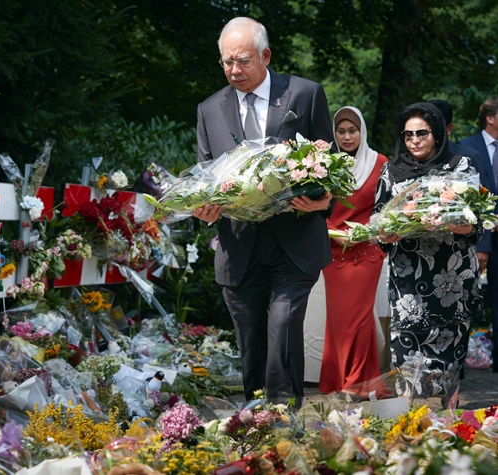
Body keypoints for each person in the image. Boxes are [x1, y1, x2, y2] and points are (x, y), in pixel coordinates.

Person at [192, 17, 334, 406]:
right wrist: (202, 211)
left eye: (242, 61)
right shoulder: (209, 109)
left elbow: (332, 167)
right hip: (239, 247)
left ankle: (285, 419)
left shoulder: (304, 95)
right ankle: (256, 421)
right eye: (226, 63)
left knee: (283, 330)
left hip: (295, 241)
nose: (233, 71)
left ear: (265, 56)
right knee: (251, 344)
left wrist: (325, 201)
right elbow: (206, 177)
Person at [375, 102, 484, 407]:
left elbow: (477, 222)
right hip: (407, 276)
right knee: (406, 344)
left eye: (421, 133)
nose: (414, 141)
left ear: (437, 133)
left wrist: (463, 225)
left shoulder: (460, 165)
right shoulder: (391, 170)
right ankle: (407, 414)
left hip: (452, 274)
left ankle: (450, 413)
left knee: (451, 344)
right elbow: (378, 222)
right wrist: (385, 234)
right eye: (408, 135)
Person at [318, 106, 388, 394]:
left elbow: (387, 208)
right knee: (338, 319)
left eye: (353, 130)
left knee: (360, 318)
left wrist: (368, 231)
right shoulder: (325, 165)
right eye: (341, 131)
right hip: (333, 252)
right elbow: (316, 209)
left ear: (363, 131)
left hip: (367, 252)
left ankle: (358, 382)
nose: (347, 137)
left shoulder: (380, 162)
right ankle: (341, 379)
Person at [458, 97, 498, 372]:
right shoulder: (467, 147)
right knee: (467, 298)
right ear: (491, 118)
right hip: (477, 237)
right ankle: (460, 359)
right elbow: (468, 199)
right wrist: (481, 242)